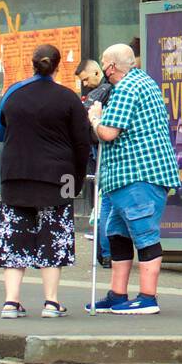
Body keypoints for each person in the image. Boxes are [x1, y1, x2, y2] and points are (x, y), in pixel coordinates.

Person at [0, 45, 91, 317]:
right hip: (56, 180)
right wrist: (76, 183)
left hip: (15, 176)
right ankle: (50, 302)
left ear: (32, 63)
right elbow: (81, 145)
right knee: (52, 238)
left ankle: (11, 302)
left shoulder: (13, 94)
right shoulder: (68, 99)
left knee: (14, 238)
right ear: (58, 66)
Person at [86, 43, 180, 315]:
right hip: (125, 179)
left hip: (137, 175)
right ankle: (118, 294)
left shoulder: (127, 88)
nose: (103, 71)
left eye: (104, 65)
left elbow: (108, 132)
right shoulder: (143, 82)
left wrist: (95, 118)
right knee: (117, 233)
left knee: (144, 233)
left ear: (112, 67)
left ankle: (148, 297)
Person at [77, 58, 114, 266]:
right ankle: (106, 251)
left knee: (102, 202)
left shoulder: (98, 93)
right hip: (101, 149)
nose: (85, 83)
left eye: (86, 78)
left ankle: (105, 251)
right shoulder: (109, 91)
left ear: (96, 72)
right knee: (105, 202)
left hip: (97, 150)